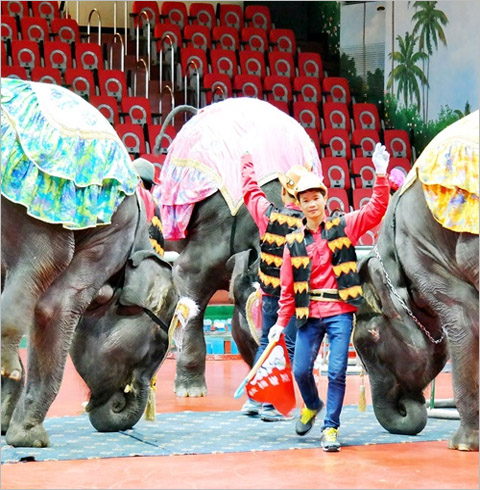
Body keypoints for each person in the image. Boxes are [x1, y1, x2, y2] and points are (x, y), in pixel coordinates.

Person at [268, 142, 390, 451]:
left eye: (316, 197)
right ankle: (311, 404)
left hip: (338, 310)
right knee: (300, 370)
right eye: (305, 200)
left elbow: (376, 210)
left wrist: (380, 172)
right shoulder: (293, 242)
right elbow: (286, 288)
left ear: (325, 198)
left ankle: (330, 428)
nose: (312, 204)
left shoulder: (343, 226)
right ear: (298, 204)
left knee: (336, 370)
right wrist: (279, 324)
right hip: (308, 315)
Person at [240, 152, 310, 422]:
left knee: (266, 344)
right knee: (287, 348)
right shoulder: (307, 224)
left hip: (268, 293)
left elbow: (249, 190)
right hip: (293, 300)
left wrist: (248, 162)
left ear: (283, 192)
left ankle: (253, 400)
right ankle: (271, 404)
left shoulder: (268, 214)